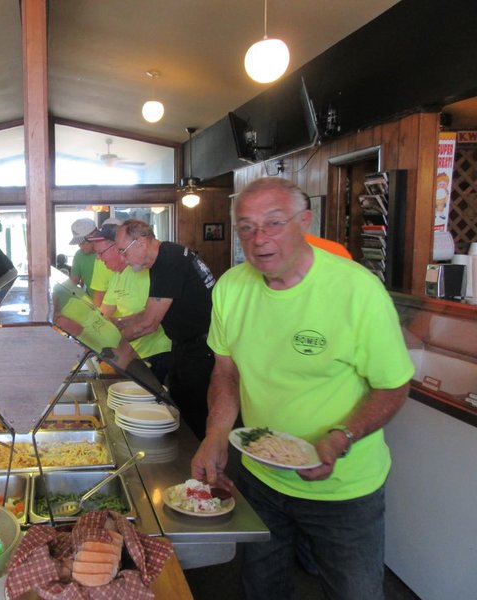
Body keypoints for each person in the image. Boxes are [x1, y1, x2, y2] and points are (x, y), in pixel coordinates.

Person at [190, 177, 413, 600]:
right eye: (247, 227)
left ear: (304, 222)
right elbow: (226, 371)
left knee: (355, 592)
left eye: (274, 223)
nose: (259, 239)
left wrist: (341, 437)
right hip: (260, 476)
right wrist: (216, 434)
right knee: (261, 587)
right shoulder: (231, 288)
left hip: (344, 487)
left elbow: (392, 386)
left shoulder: (357, 290)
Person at [113, 220, 215, 438]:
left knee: (193, 419)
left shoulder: (169, 261)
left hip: (201, 348)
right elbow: (153, 310)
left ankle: (199, 468)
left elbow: (150, 324)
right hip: (186, 345)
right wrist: (121, 323)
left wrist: (111, 341)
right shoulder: (164, 257)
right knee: (177, 405)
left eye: (123, 251)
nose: (123, 258)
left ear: (140, 242)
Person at [85, 222, 172, 383]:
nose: (98, 258)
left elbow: (151, 320)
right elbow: (105, 314)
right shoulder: (118, 274)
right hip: (132, 354)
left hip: (155, 355)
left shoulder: (146, 272)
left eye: (101, 253)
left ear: (115, 247)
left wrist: (110, 343)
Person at [69, 218, 98, 297]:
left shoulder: (107, 253)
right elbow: (73, 282)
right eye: (79, 243)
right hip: (96, 304)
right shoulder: (79, 255)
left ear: (93, 236)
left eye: (83, 243)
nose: (80, 247)